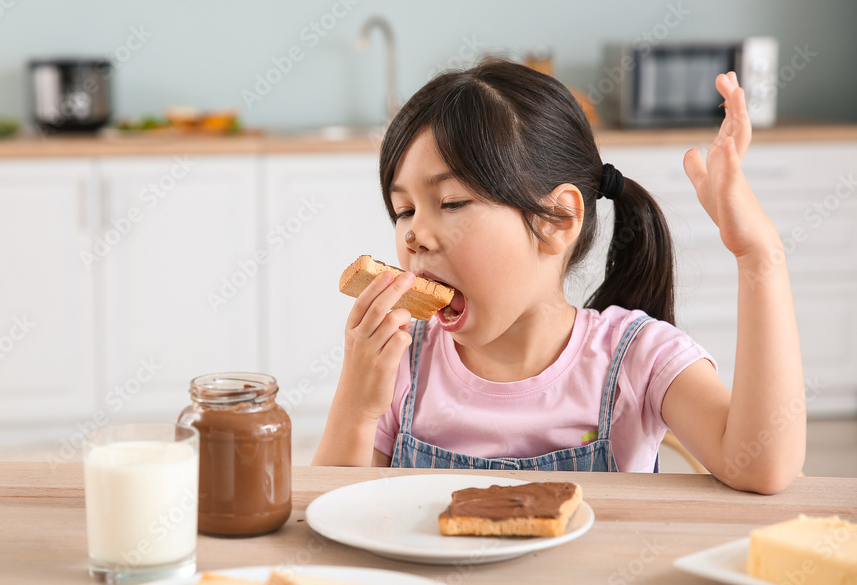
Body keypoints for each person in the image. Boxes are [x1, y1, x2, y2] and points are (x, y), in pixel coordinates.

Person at [312, 58, 805, 494]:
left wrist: (759, 254)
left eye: (451, 203)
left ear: (556, 220)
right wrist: (355, 405)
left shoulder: (637, 358)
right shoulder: (401, 363)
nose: (414, 235)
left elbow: (761, 467)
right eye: (403, 210)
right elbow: (331, 517)